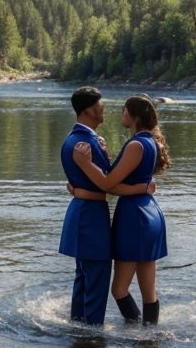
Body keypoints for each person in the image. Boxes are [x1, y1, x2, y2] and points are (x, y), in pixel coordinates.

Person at [73, 95, 170, 325]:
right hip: (149, 214)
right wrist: (140, 187)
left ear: (134, 116)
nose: (120, 115)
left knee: (118, 289)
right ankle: (149, 338)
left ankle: (136, 328)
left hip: (134, 217)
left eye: (124, 110)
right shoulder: (149, 142)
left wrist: (84, 165)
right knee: (149, 290)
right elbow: (121, 177)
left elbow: (107, 184)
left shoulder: (136, 145)